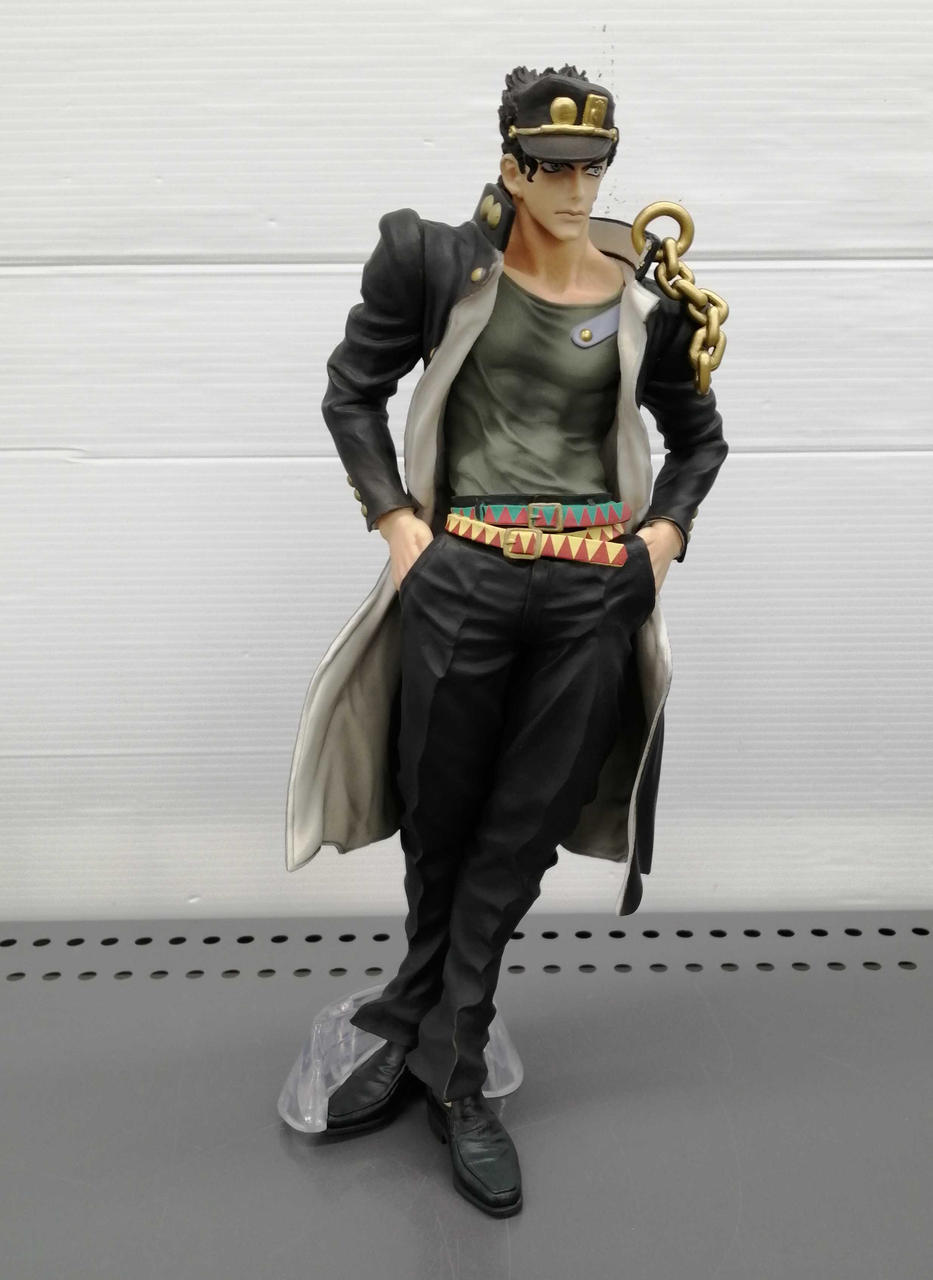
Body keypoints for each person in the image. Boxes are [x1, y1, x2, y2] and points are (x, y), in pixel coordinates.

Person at [285, 64, 728, 1217]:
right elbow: (351, 391)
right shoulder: (434, 263)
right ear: (512, 168)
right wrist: (400, 528)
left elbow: (698, 438)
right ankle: (422, 1023)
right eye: (554, 168)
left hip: (591, 589)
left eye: (594, 169)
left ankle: (452, 1060)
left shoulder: (647, 296)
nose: (577, 190)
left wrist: (659, 544)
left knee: (520, 828)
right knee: (440, 819)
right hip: (464, 573)